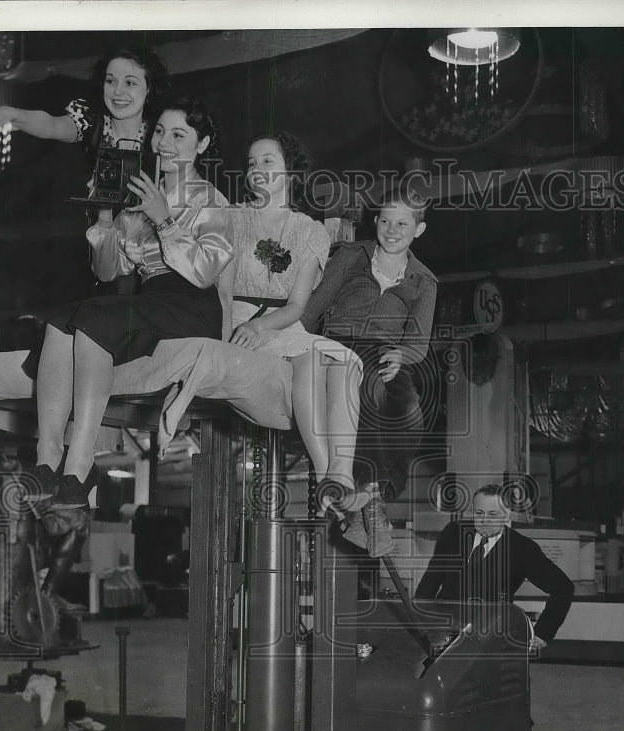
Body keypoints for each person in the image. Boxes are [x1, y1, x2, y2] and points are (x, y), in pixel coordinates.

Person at [22, 96, 233, 509]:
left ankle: (79, 462)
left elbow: (206, 273)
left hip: (192, 305)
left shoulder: (212, 199)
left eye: (179, 134)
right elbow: (106, 271)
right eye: (159, 132)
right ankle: (47, 457)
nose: (164, 143)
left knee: (92, 322)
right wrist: (104, 217)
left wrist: (164, 217)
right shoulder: (136, 198)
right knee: (59, 318)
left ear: (202, 145)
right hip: (152, 301)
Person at [220, 131, 365, 515]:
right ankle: (327, 476)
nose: (257, 170)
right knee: (313, 359)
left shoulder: (309, 230)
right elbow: (220, 290)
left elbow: (297, 306)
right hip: (235, 318)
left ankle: (340, 475)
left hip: (279, 323)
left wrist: (261, 328)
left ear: (290, 171)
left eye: (268, 161)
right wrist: (243, 328)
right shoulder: (233, 217)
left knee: (348, 361)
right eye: (251, 163)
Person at [301, 185, 437, 554]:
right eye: (386, 221)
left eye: (403, 224)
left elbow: (419, 340)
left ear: (418, 231)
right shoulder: (350, 256)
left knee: (408, 410)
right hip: (339, 343)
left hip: (386, 352)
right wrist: (296, 345)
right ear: (376, 221)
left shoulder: (424, 281)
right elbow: (313, 308)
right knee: (369, 390)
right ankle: (370, 501)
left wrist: (403, 356)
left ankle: (363, 500)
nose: (393, 230)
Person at [414, 483, 575, 654]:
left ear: (506, 516)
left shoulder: (522, 548)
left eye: (492, 514)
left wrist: (544, 632)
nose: (484, 521)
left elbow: (563, 588)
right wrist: (420, 623)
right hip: (445, 632)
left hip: (490, 638)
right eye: (479, 513)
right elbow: (429, 583)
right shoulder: (453, 533)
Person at [0, 47, 168, 183]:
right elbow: (51, 125)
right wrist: (12, 113)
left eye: (130, 83)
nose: (117, 91)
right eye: (110, 81)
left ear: (150, 88)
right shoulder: (90, 119)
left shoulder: (165, 128)